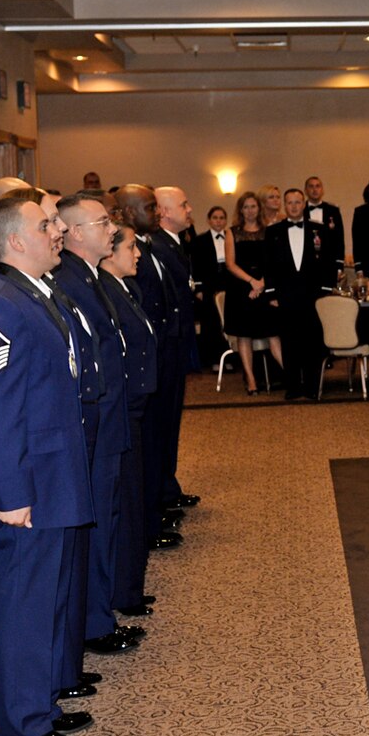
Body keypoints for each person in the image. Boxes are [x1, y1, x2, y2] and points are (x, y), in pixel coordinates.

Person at [0, 195, 94, 736]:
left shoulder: (31, 294)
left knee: (49, 597)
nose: (58, 230)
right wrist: (10, 495)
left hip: (53, 474)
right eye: (46, 226)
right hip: (28, 486)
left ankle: (39, 701)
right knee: (22, 603)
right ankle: (21, 721)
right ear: (15, 240)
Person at [55, 191, 139, 685]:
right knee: (96, 526)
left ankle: (99, 617)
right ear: (78, 232)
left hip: (107, 418)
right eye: (103, 222)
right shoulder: (71, 281)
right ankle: (95, 623)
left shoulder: (87, 277)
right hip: (95, 420)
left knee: (105, 520)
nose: (112, 229)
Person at [100, 223, 158, 621]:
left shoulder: (124, 288)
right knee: (124, 504)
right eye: (131, 247)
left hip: (136, 405)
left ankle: (130, 588)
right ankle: (124, 591)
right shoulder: (104, 290)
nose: (137, 254)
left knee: (134, 501)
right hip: (122, 408)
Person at [148, 187, 202, 522]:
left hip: (177, 344)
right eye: (183, 204)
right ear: (165, 212)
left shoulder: (174, 242)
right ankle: (163, 491)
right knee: (163, 422)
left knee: (171, 422)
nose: (189, 208)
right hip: (165, 347)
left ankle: (168, 486)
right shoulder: (157, 246)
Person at [266, 185, 336, 399]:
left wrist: (325, 290)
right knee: (289, 342)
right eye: (290, 203)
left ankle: (313, 387)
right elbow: (267, 264)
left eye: (298, 202)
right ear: (284, 206)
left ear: (303, 204)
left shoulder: (320, 230)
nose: (294, 206)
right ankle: (293, 386)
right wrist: (271, 293)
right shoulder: (273, 231)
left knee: (313, 342)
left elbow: (328, 261)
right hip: (285, 295)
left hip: (312, 295)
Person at [219, 192, 281, 392]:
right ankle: (251, 380)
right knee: (244, 336)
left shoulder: (269, 231)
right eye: (246, 207)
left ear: (259, 208)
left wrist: (261, 284)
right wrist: (252, 282)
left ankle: (291, 376)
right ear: (240, 210)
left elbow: (274, 262)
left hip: (265, 287)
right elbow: (230, 264)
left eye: (253, 206)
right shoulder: (232, 231)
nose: (250, 210)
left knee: (274, 334)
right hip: (240, 290)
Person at [190, 203, 230, 368]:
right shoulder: (200, 240)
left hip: (228, 282)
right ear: (208, 220)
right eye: (215, 218)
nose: (218, 221)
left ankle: (229, 359)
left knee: (228, 320)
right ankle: (215, 359)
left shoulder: (231, 236)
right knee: (211, 323)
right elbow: (195, 266)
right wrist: (198, 288)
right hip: (209, 285)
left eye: (221, 218)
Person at [302, 175, 345, 269]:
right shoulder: (300, 210)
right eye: (311, 186)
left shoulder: (333, 210)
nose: (315, 189)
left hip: (329, 262)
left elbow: (339, 238)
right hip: (306, 262)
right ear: (305, 190)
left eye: (318, 186)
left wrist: (339, 264)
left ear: (322, 190)